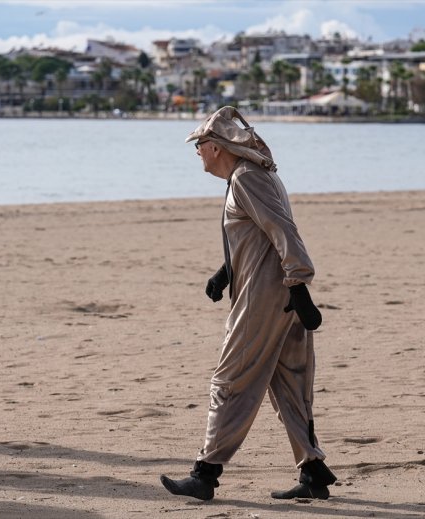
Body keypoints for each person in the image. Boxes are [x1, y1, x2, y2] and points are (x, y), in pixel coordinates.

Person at [160, 106, 336, 501]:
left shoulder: (246, 178)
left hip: (266, 297)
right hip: (280, 294)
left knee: (231, 379)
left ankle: (204, 474)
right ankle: (313, 471)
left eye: (199, 144)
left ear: (218, 147)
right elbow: (261, 233)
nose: (197, 152)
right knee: (289, 382)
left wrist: (300, 283)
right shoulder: (255, 175)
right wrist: (225, 272)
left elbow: (283, 230)